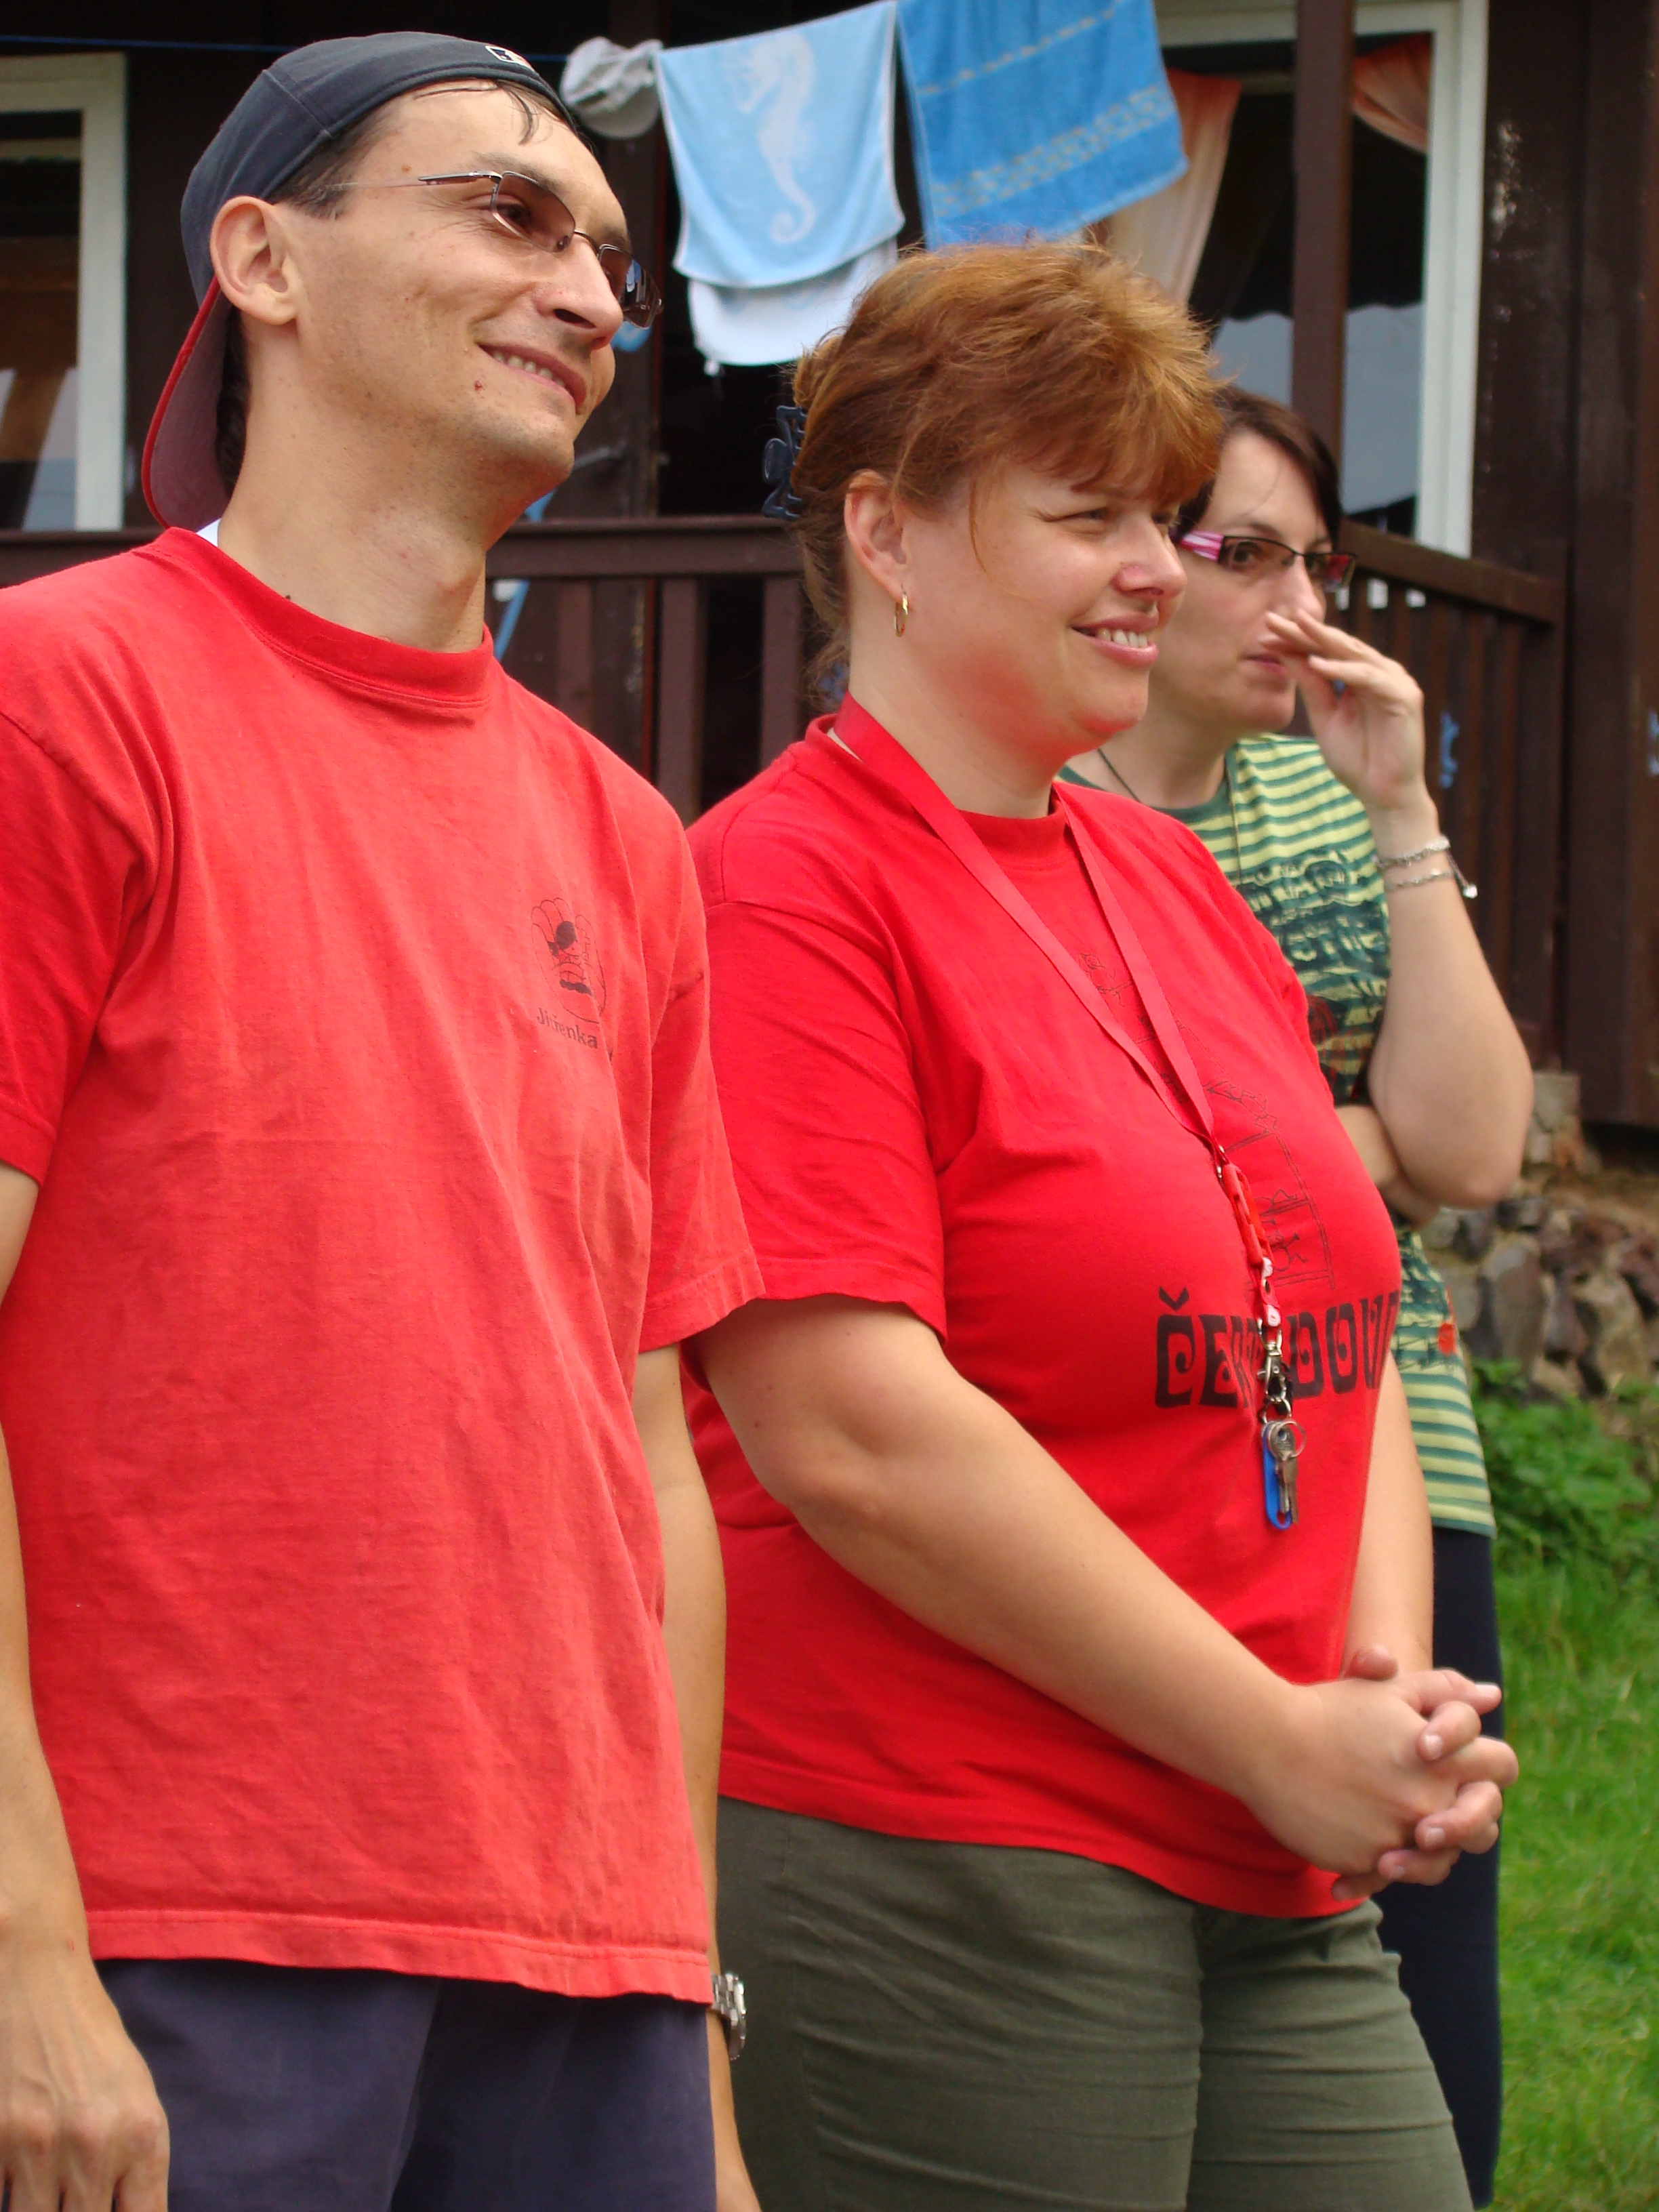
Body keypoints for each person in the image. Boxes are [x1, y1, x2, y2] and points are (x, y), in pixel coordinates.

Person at [0, 35, 763, 2212]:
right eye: (508, 214)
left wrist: (693, 2034)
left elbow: (651, 1463)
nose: (590, 292)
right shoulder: (59, 696)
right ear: (264, 260)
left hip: (588, 1979)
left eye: (611, 255)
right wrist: (22, 1948)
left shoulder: (628, 836)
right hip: (178, 1942)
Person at [681, 241, 1517, 2212]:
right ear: (885, 533)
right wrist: (1275, 1735)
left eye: (1163, 514)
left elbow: (1340, 1318)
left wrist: (1372, 1693)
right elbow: (852, 1434)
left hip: (1273, 1834)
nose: (1158, 567)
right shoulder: (778, 890)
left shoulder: (1170, 877)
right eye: (1090, 516)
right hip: (949, 1851)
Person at [1061, 387, 1532, 2207]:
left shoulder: (1329, 803)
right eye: (1244, 554)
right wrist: (1345, 1142)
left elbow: (1471, 1145)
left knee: (1419, 1981)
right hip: (1144, 1452)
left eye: (1316, 563)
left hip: (1395, 1445)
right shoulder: (1029, 798)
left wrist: (1401, 803)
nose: (1300, 609)